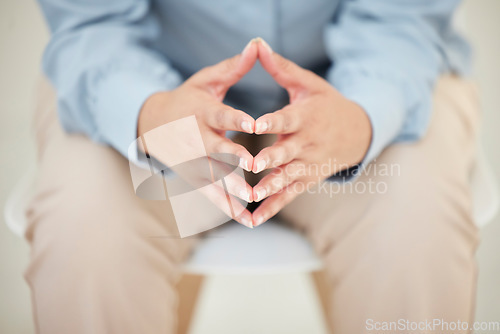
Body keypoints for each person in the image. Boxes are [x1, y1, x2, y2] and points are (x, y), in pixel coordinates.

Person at [26, 0, 480, 333]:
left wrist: (362, 118)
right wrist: (150, 113)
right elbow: (92, 25)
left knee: (417, 224)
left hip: (361, 87)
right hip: (150, 90)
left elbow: (403, 21)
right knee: (84, 230)